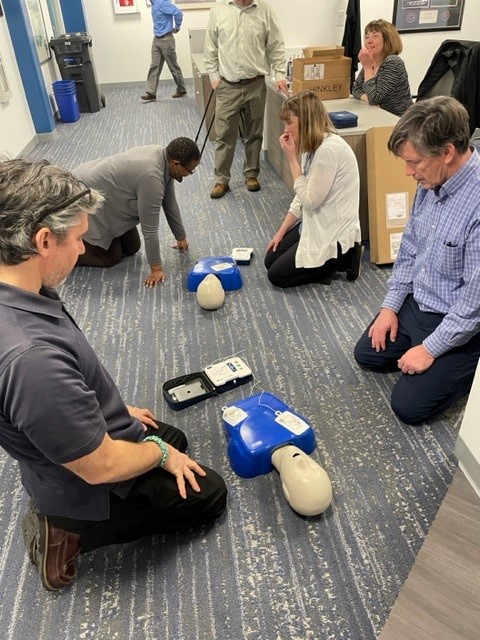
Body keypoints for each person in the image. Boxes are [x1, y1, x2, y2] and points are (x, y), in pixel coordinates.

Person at [0, 158, 227, 591]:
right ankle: (66, 529)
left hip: (67, 435)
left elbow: (64, 384)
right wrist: (157, 453)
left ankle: (96, 472)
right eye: (79, 238)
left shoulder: (22, 289)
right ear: (44, 240)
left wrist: (115, 411)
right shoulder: (30, 359)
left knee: (174, 438)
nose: (84, 249)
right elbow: (101, 467)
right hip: (85, 479)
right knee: (210, 493)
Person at [354, 96, 480, 425]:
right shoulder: (431, 180)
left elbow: (473, 303)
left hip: (461, 322)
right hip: (419, 303)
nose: (408, 172)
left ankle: (471, 368)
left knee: (408, 406)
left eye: (415, 162)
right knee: (366, 354)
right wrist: (389, 308)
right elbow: (410, 249)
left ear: (448, 152)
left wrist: (431, 349)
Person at [264, 91, 361, 289]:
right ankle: (334, 259)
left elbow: (309, 200)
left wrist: (291, 159)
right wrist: (281, 232)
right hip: (316, 219)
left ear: (306, 121)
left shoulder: (328, 150)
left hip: (332, 229)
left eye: (289, 122)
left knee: (277, 276)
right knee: (270, 259)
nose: (286, 129)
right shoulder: (313, 145)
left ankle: (341, 259)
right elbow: (301, 198)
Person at [74, 137, 200, 288]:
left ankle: (100, 237)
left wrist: (181, 237)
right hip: (84, 192)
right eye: (190, 170)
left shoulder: (165, 160)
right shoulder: (152, 176)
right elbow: (150, 230)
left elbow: (170, 203)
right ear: (176, 164)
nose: (191, 173)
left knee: (132, 247)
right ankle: (68, 249)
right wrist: (156, 268)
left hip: (109, 198)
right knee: (111, 258)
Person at [204, 0, 288, 199]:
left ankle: (251, 174)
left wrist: (280, 74)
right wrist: (215, 78)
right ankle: (222, 179)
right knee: (224, 135)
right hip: (227, 85)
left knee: (254, 133)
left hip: (255, 84)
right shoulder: (219, 9)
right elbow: (210, 47)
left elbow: (276, 45)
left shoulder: (265, 11)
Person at [351, 18, 412, 117]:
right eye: (366, 37)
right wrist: (367, 98)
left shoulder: (393, 62)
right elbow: (355, 89)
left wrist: (367, 67)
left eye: (375, 36)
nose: (369, 41)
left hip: (398, 122)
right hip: (378, 117)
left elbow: (374, 98)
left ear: (387, 41)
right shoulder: (372, 62)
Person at [141, 0, 187, 101]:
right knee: (154, 66)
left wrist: (177, 27)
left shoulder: (162, 3)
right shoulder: (154, 4)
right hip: (156, 39)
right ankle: (151, 92)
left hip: (166, 39)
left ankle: (181, 89)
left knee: (173, 66)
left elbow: (178, 13)